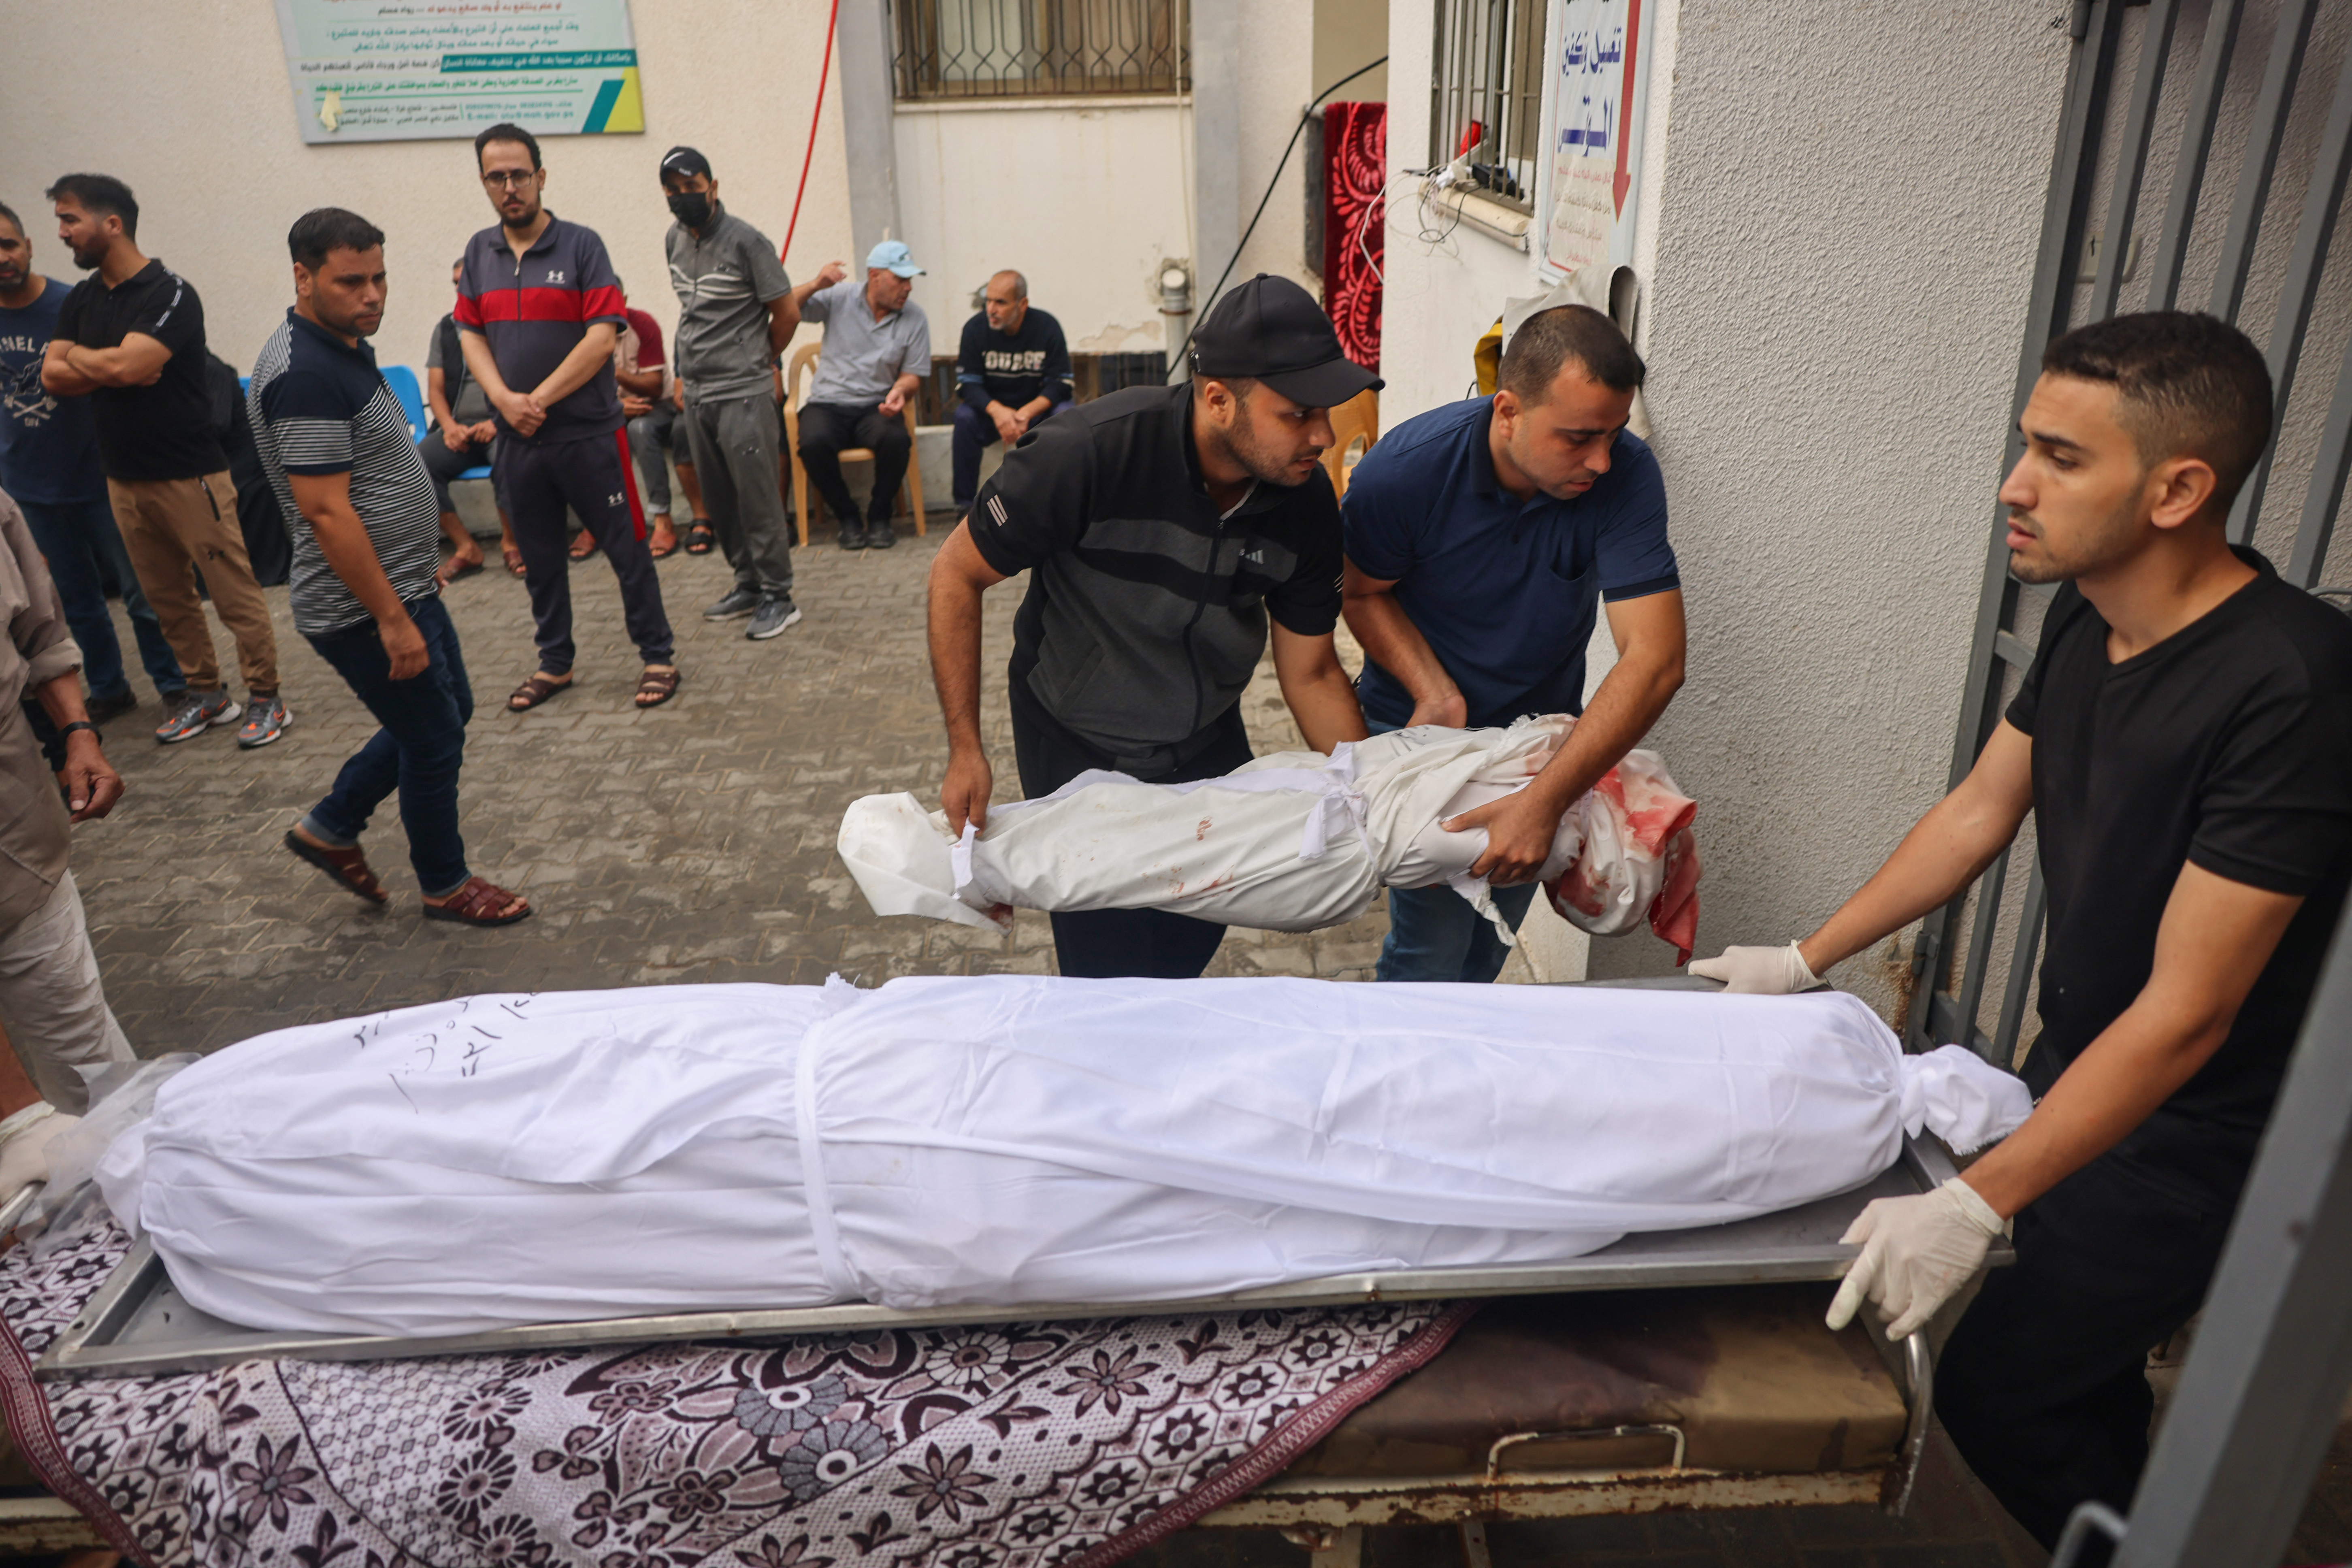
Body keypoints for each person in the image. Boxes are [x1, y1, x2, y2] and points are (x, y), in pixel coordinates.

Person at [1688, 311, 2352, 1549]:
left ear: (2178, 488)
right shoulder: (2090, 622)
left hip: (2212, 1126)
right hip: (2085, 1071)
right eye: (2022, 445)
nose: (2014, 483)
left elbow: (2190, 1010)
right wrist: (1805, 957)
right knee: (2061, 1377)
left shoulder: (2292, 686)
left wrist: (1977, 1200)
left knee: (2004, 1380)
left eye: (2059, 455)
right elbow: (1977, 813)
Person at [98, 977, 2027, 1337]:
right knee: (1367, 1103)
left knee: (1367, 1092)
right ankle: (1808, 1086)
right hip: (898, 1124)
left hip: (893, 1093)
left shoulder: (240, 1150)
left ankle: (1809, 1087)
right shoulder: (242, 1138)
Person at [926, 273, 1376, 978]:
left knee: (1194, 924)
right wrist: (964, 748)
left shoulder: (1305, 501)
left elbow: (1312, 672)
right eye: (1297, 415)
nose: (1322, 435)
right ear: (1217, 398)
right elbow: (957, 573)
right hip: (1075, 734)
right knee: (1107, 959)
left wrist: (1377, 796)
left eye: (1326, 411)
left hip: (1204, 733)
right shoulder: (1086, 453)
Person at [1341, 304, 1685, 984]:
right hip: (1427, 737)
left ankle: (1455, 1077)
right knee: (1431, 952)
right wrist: (1431, 689)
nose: (1601, 459)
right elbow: (1361, 593)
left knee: (1485, 951)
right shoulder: (1403, 473)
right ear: (1506, 411)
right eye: (1578, 437)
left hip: (1534, 750)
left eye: (1614, 434)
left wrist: (1544, 799)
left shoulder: (1626, 474)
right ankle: (1398, 1081)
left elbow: (1656, 660)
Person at [251, 209, 529, 929]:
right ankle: (443, 885)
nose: (372, 295)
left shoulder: (337, 343)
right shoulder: (304, 373)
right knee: (433, 736)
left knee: (446, 713)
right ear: (303, 278)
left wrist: (407, 574)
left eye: (379, 278)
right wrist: (391, 617)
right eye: (351, 282)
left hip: (399, 584)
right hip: (361, 608)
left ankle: (333, 824)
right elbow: (326, 513)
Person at [40, 173, 288, 747]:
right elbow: (56, 376)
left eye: (70, 219)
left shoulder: (170, 293)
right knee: (165, 600)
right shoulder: (81, 299)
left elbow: (130, 370)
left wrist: (94, 362)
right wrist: (104, 360)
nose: (63, 233)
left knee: (232, 594)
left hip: (191, 475)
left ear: (112, 223)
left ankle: (267, 698)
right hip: (124, 479)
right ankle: (208, 695)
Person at [454, 124, 679, 712]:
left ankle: (657, 655)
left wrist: (538, 400)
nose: (510, 187)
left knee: (628, 550)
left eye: (520, 175)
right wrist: (505, 401)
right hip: (519, 442)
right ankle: (555, 663)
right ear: (484, 182)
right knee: (541, 559)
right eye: (497, 177)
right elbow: (470, 335)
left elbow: (602, 339)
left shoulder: (582, 246)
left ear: (541, 178)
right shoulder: (480, 253)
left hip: (588, 437)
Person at [0, 199, 185, 722]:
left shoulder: (73, 304)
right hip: (28, 488)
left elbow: (127, 372)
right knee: (72, 603)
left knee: (143, 593)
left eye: (9, 244)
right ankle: (109, 689)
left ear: (30, 246)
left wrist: (77, 369)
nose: (2, 258)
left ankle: (176, 687)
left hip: (102, 476)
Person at [0, 484, 134, 1175]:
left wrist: (79, 732)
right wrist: (17, 1114)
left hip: (19, 850)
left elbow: (40, 632)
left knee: (96, 1076)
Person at [658, 147, 803, 637]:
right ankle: (747, 582)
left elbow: (787, 313)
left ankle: (779, 594)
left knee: (758, 497)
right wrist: (682, 374)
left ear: (713, 187)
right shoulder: (674, 241)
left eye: (692, 187)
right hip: (699, 393)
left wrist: (763, 358)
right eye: (674, 191)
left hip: (743, 389)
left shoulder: (747, 243)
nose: (684, 198)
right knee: (719, 500)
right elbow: (689, 315)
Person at [792, 241, 931, 551]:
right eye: (901, 279)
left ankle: (880, 516)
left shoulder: (915, 318)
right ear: (875, 276)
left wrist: (900, 390)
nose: (907, 288)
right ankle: (848, 517)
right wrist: (816, 284)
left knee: (896, 441)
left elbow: (913, 375)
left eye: (910, 280)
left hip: (875, 406)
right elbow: (787, 308)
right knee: (813, 442)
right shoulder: (840, 298)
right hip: (828, 403)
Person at [420, 258, 516, 583]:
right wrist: (448, 427)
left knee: (508, 460)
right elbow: (435, 390)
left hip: (501, 426)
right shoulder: (446, 329)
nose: (460, 289)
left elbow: (528, 380)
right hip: (458, 428)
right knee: (417, 465)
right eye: (455, 283)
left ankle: (511, 542)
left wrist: (500, 420)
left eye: (466, 281)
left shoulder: (509, 324)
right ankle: (466, 549)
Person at [951, 270, 1072, 511]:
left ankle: (1062, 504)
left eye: (1000, 303)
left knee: (1067, 415)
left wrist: (1025, 413)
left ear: (1022, 304)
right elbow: (967, 385)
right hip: (991, 412)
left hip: (1035, 410)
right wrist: (999, 412)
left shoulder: (1047, 327)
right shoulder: (975, 329)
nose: (991, 310)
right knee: (964, 417)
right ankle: (964, 507)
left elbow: (1061, 383)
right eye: (988, 301)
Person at [606, 278, 684, 562]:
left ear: (623, 301)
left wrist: (611, 369)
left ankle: (662, 520)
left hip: (657, 406)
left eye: (611, 301)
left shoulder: (643, 324)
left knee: (640, 430)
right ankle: (596, 525)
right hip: (611, 408)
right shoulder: (580, 332)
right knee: (581, 436)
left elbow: (653, 387)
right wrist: (615, 406)